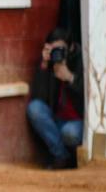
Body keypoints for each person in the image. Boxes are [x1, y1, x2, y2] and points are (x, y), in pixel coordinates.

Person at [26, 28, 84, 170]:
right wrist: (44, 65)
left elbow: (87, 96)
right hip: (57, 120)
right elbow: (38, 96)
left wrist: (70, 78)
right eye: (54, 49)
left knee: (69, 133)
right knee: (34, 108)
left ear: (70, 47)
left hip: (77, 122)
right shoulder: (50, 62)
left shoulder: (82, 59)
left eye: (61, 49)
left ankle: (70, 158)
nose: (58, 53)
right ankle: (61, 156)